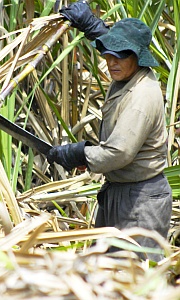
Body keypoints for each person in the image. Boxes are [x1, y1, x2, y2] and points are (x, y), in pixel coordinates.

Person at [47, 0, 172, 261]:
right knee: (104, 275)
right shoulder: (127, 73)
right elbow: (115, 46)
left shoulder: (142, 97)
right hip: (118, 192)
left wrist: (79, 155)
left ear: (137, 58)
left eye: (120, 55)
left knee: (133, 280)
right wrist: (91, 25)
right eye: (107, 54)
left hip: (140, 201)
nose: (110, 62)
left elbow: (118, 153)